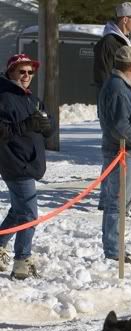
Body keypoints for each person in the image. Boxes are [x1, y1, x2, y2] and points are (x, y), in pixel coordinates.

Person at [0, 54, 54, 280]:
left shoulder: (31, 98)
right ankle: (22, 260)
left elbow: (45, 127)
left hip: (30, 161)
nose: (26, 76)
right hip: (14, 162)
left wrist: (46, 127)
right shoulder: (3, 96)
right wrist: (25, 125)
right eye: (21, 71)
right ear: (11, 71)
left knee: (19, 209)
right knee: (29, 214)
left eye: (30, 72)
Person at [97, 46, 131, 265]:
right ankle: (113, 251)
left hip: (126, 152)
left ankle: (115, 248)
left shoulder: (121, 85)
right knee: (117, 203)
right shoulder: (118, 88)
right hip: (122, 152)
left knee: (121, 202)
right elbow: (119, 126)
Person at [93, 1, 131, 217]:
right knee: (114, 152)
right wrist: (118, 101)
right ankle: (112, 201)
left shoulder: (122, 40)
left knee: (114, 153)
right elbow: (106, 77)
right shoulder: (109, 43)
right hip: (116, 104)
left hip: (124, 101)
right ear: (125, 19)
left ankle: (112, 200)